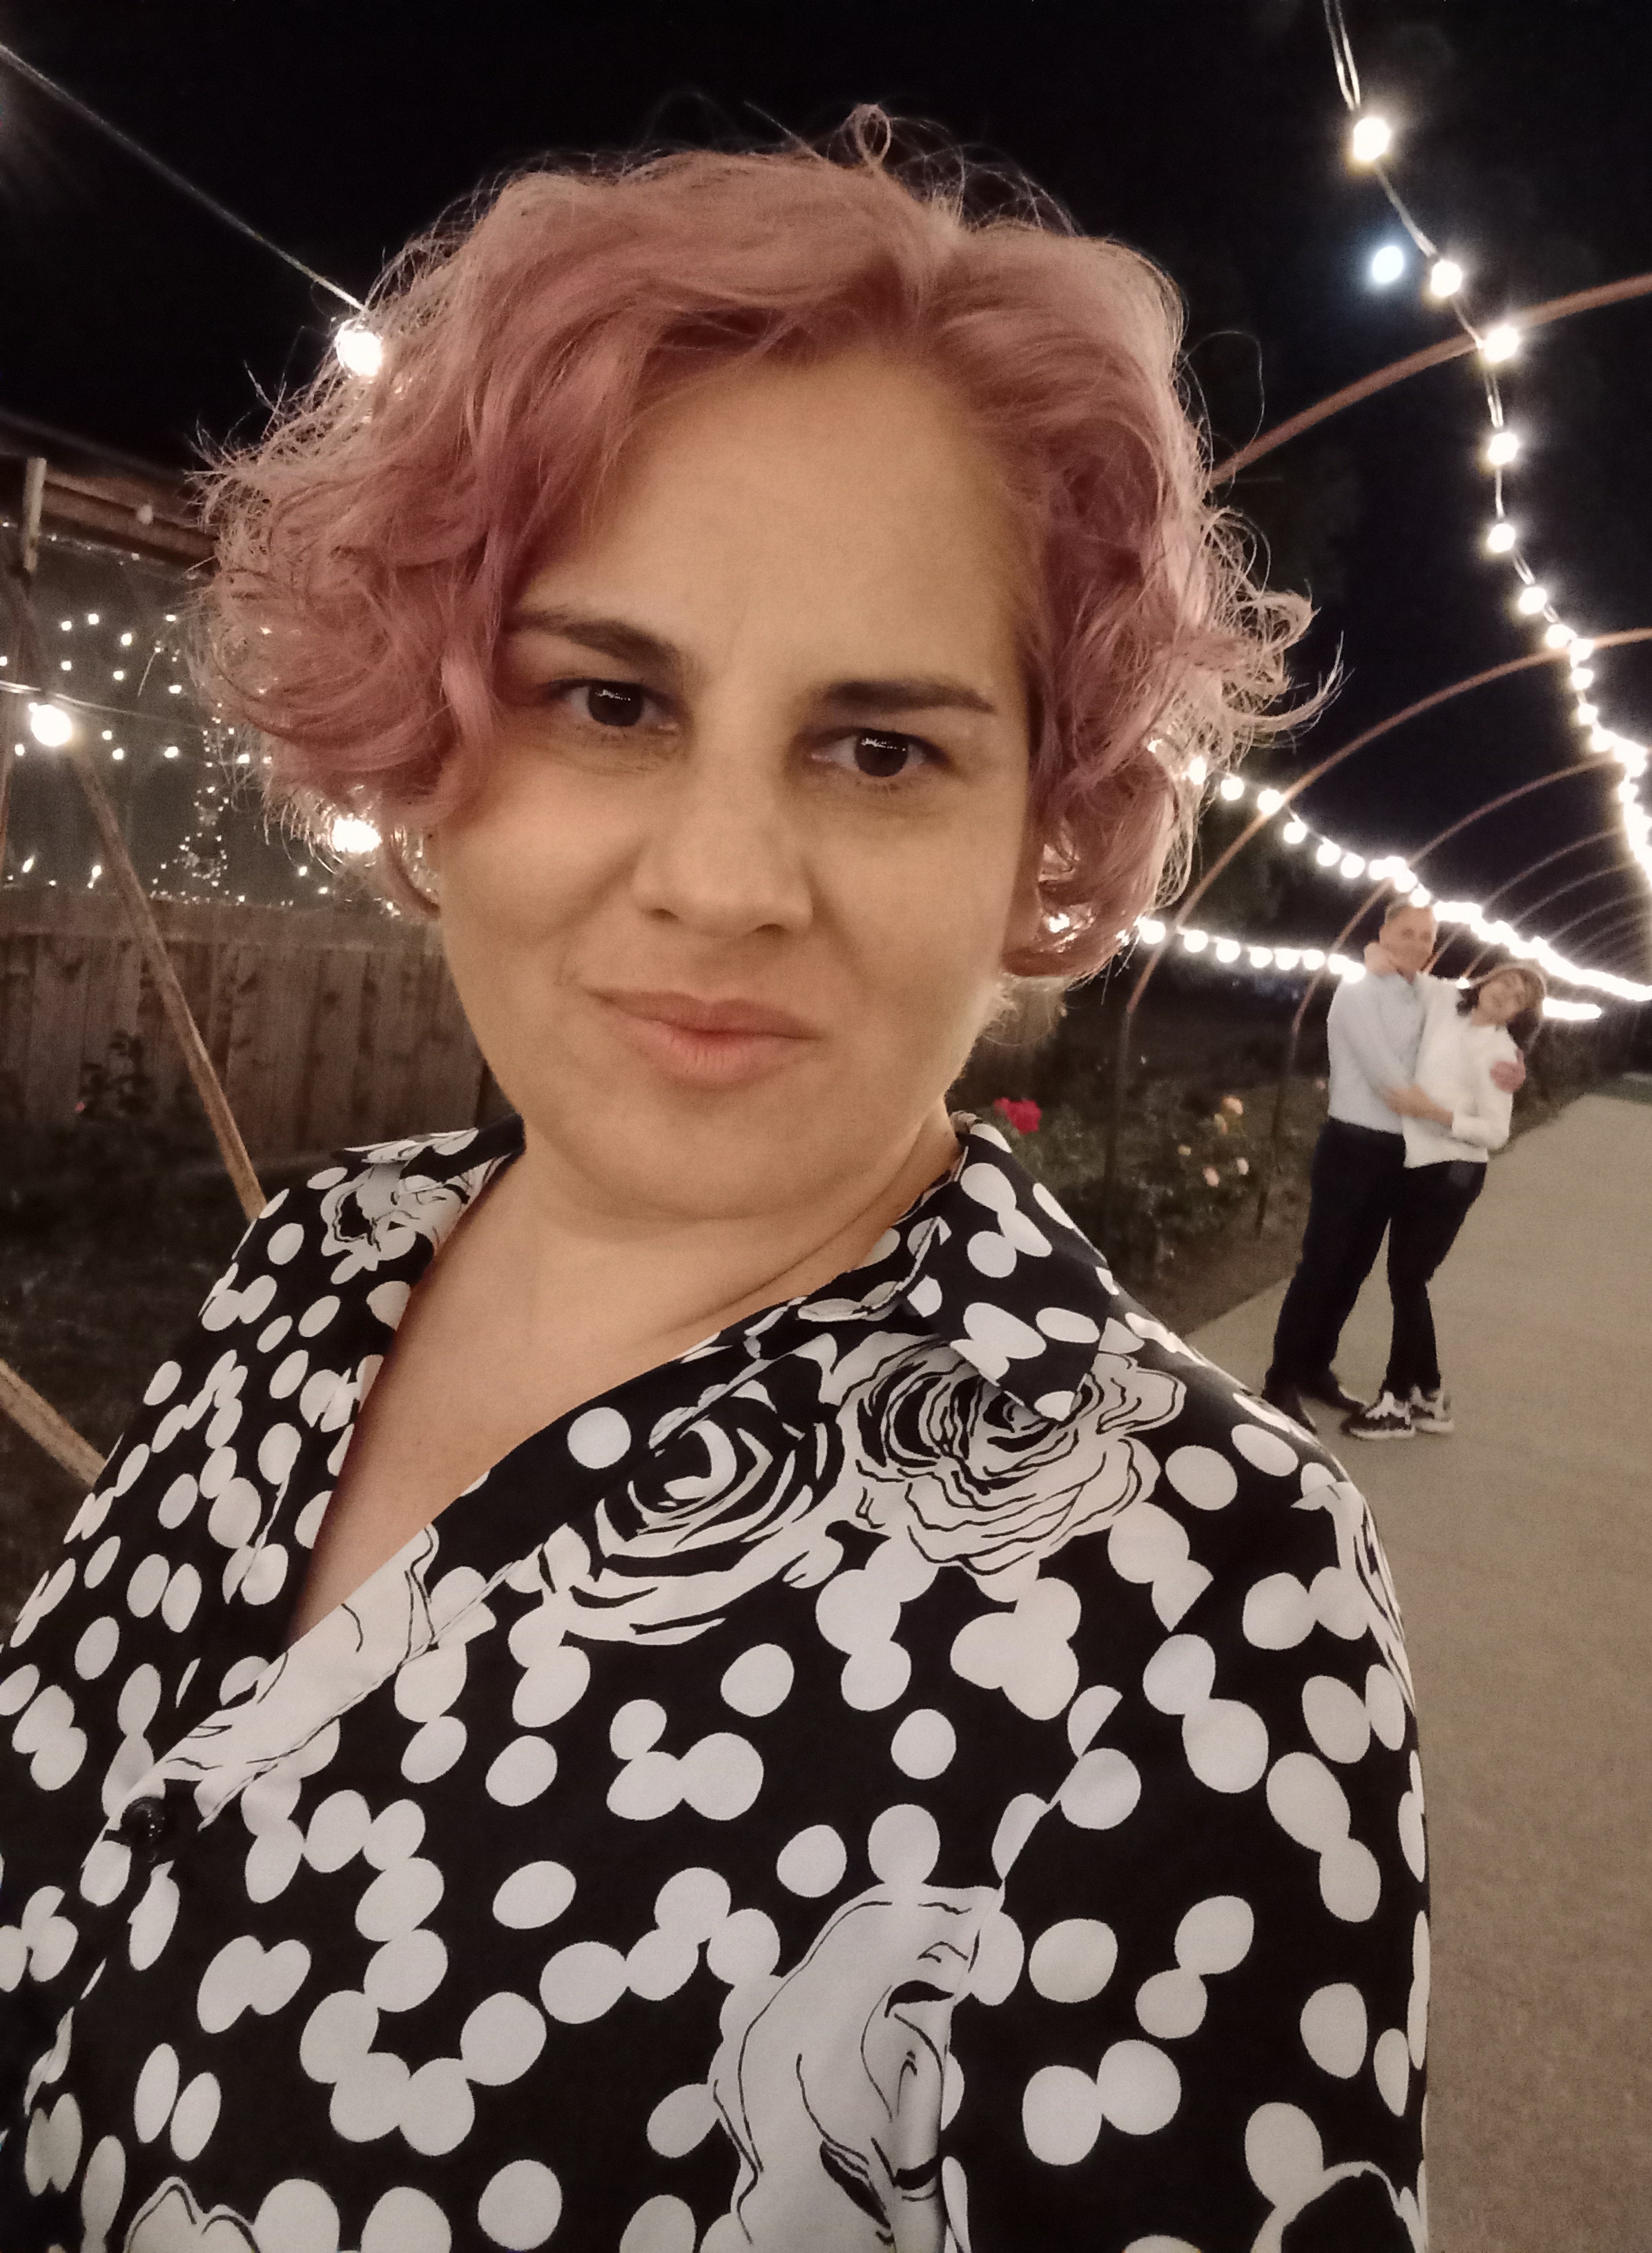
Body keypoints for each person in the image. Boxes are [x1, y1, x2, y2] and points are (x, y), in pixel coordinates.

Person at [0, 121, 1430, 2252]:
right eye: (608, 699)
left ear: (1044, 823)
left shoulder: (1204, 1599)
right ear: (434, 730)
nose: (724, 879)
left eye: (881, 748)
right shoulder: (316, 1267)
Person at [1263, 899, 1524, 1432]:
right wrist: (1439, 1109)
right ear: (1384, 934)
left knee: (1355, 1268)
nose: (1417, 944)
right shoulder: (1358, 993)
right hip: (1351, 1146)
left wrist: (1512, 1064)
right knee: (1321, 1264)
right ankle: (1280, 1381)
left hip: (1397, 1157)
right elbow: (1390, 1076)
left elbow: (1476, 1021)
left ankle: (1316, 1367)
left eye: (1426, 937)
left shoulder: (1427, 995)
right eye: (1406, 933)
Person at [1341, 959, 1546, 1441]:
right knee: (1408, 1280)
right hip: (1417, 1164)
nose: (1506, 993)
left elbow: (1495, 1132)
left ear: (1519, 1014)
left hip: (1453, 1174)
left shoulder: (1499, 1054)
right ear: (1488, 978)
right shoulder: (1445, 1004)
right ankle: (1429, 1395)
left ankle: (1396, 1401)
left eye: (1518, 997)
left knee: (1408, 1279)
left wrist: (1433, 1112)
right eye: (1506, 981)